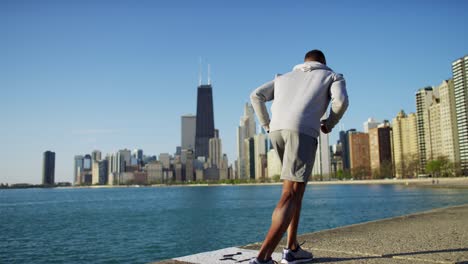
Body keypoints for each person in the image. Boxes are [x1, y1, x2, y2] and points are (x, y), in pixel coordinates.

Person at [249, 50, 349, 264]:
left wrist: (266, 124)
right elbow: (340, 101)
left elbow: (256, 95)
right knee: (290, 194)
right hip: (301, 131)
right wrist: (329, 123)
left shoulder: (283, 77)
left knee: (295, 191)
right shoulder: (332, 76)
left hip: (277, 130)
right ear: (323, 62)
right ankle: (262, 257)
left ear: (304, 62)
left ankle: (292, 248)